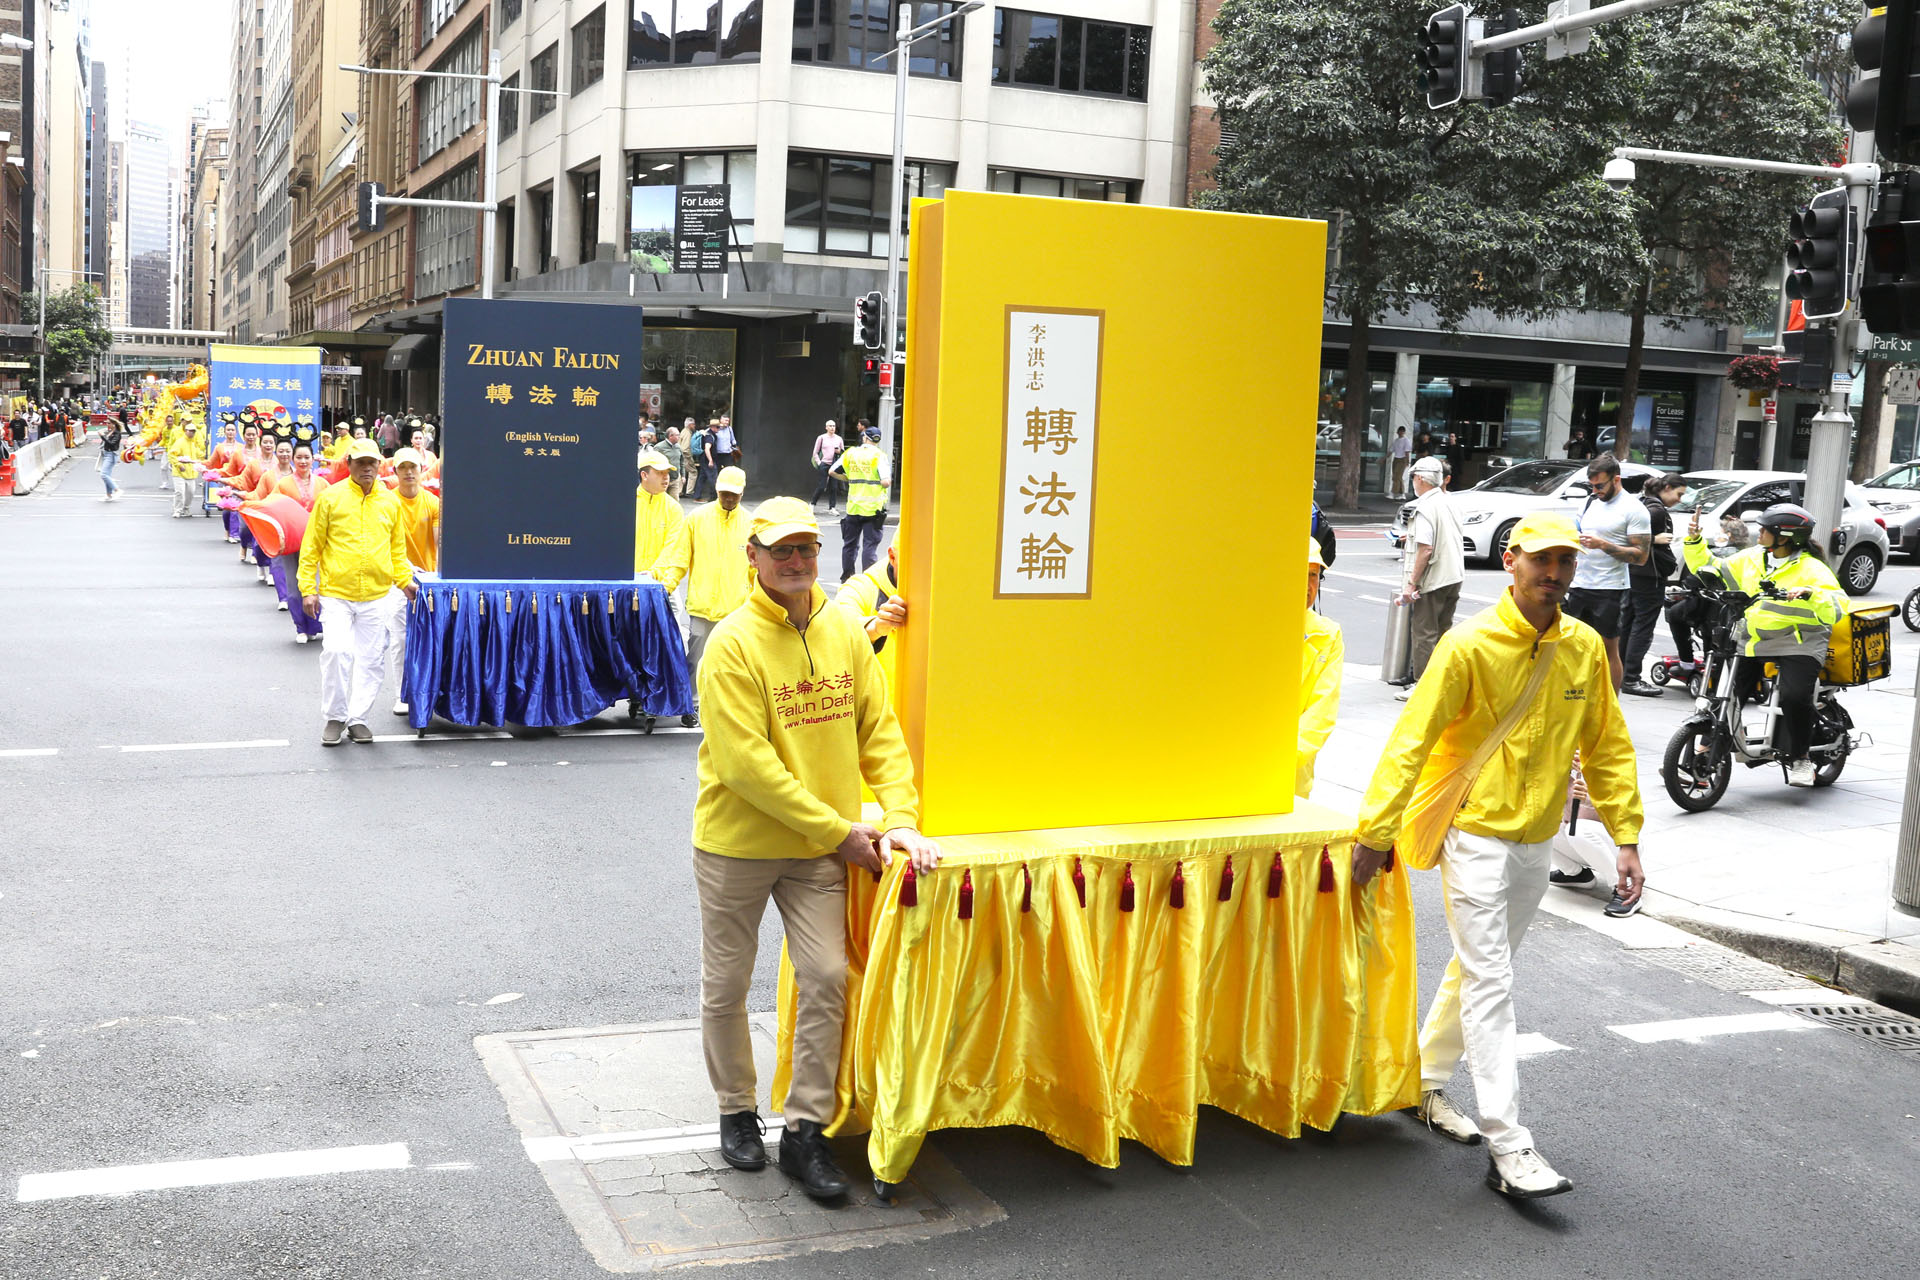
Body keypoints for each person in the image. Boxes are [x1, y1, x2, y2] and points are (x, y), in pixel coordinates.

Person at [1351, 510, 1645, 1200]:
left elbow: (1607, 744)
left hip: (1534, 840)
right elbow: (1412, 740)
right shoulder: (1469, 644)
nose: (1554, 573)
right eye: (1541, 559)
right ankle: (1509, 1145)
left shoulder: (1582, 646)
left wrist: (1626, 837)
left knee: (1480, 968)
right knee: (1491, 981)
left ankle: (1422, 1082)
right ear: (1510, 561)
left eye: (1565, 561)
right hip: (1476, 834)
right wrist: (1375, 832)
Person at [691, 494, 938, 1201]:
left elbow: (878, 730)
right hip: (739, 846)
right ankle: (736, 1109)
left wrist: (900, 817)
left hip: (817, 852)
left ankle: (805, 1132)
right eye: (781, 551)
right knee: (727, 986)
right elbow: (746, 766)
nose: (796, 561)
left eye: (806, 549)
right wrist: (842, 833)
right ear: (754, 558)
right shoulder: (731, 644)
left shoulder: (843, 631)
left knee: (828, 978)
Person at [1682, 502, 1847, 787]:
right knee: (1727, 696)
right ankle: (1706, 757)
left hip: (1800, 641)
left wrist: (1810, 593)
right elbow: (1712, 567)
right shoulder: (1752, 557)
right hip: (1755, 639)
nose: (1758, 533)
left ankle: (1801, 758)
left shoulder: (1812, 568)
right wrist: (1694, 540)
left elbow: (1838, 605)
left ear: (1784, 537)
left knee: (1794, 697)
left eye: (1765, 529)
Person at [298, 439, 417, 747]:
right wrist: (308, 589)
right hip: (336, 593)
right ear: (349, 463)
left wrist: (405, 581)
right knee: (336, 652)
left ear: (379, 465)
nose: (366, 468)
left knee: (371, 660)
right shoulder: (330, 498)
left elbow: (396, 550)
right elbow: (311, 546)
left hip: (377, 595)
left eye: (371, 462)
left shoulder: (389, 502)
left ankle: (358, 718)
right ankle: (335, 717)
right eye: (360, 462)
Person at [650, 466, 749, 729]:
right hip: (702, 606)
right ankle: (691, 705)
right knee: (695, 660)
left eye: (734, 494)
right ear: (717, 490)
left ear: (742, 493)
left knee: (734, 663)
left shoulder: (751, 525)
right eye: (725, 493)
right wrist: (665, 587)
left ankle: (728, 707)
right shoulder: (697, 519)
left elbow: (757, 570)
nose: (729, 498)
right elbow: (680, 560)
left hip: (737, 610)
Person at [1565, 455, 1651, 691]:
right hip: (1579, 584)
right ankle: (1576, 696)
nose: (1595, 490)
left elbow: (1641, 556)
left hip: (1610, 588)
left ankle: (1611, 703)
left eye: (1600, 485)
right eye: (1591, 486)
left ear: (1616, 479)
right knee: (1572, 645)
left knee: (1608, 648)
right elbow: (1576, 531)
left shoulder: (1634, 509)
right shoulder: (1589, 502)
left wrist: (1603, 545)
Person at [1394, 456, 1464, 697]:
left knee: (1424, 632)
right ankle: (1441, 684)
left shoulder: (1424, 507)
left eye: (1414, 477)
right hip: (1454, 575)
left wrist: (1411, 583)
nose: (1413, 481)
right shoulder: (1448, 501)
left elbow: (1425, 549)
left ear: (1421, 479)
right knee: (1443, 632)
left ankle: (1422, 687)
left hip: (1434, 579)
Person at [386, 448, 441, 716]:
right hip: (397, 580)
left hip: (429, 580)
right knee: (401, 639)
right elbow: (385, 542)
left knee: (433, 637)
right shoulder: (387, 502)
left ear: (421, 470)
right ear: (395, 472)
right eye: (403, 468)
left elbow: (439, 541)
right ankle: (402, 694)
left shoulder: (432, 502)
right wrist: (405, 570)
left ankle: (432, 692)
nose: (409, 473)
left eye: (413, 467)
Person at [1620, 473, 1685, 697]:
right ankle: (1631, 678)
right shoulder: (1655, 510)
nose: (1679, 500)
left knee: (1628, 623)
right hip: (1648, 575)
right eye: (1678, 494)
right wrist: (1655, 540)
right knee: (1642, 626)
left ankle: (1622, 674)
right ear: (1666, 488)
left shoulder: (1642, 503)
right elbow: (1625, 535)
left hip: (1634, 572)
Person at [1297, 536, 1343, 799]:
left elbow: (1322, 711)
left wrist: (1282, 759)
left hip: (1292, 777)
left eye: (1313, 575)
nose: (1307, 585)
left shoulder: (1327, 634)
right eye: (1300, 574)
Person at [831, 422, 889, 582]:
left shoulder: (851, 453)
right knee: (870, 546)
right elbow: (885, 482)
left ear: (864, 437)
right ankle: (868, 581)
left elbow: (832, 471)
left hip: (853, 508)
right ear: (877, 440)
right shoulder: (879, 456)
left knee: (849, 545)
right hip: (873, 510)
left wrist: (849, 478)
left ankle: (847, 577)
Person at [633, 449, 688, 578]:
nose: (666, 477)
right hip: (627, 579)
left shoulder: (673, 508)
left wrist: (654, 573)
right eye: (660, 472)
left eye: (667, 472)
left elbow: (673, 546)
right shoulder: (627, 504)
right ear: (644, 475)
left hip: (661, 580)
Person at [166, 418, 207, 518]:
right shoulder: (179, 442)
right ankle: (177, 510)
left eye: (193, 431)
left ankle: (186, 508)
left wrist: (206, 453)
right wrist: (179, 465)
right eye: (190, 431)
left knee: (190, 492)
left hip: (191, 473)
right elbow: (171, 455)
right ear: (186, 431)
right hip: (179, 472)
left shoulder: (193, 443)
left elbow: (199, 454)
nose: (192, 433)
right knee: (179, 492)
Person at [810, 420, 845, 513]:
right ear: (826, 427)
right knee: (822, 486)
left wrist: (839, 451)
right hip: (824, 464)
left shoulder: (839, 439)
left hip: (834, 465)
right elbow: (815, 453)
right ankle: (812, 504)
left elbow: (843, 452)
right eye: (830, 426)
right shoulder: (821, 438)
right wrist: (819, 463)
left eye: (833, 426)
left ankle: (832, 507)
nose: (832, 428)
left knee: (833, 487)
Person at [98, 411, 124, 501]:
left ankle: (117, 490)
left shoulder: (117, 433)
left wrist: (103, 436)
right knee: (107, 475)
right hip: (106, 453)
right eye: (107, 423)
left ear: (114, 424)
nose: (107, 425)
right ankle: (109, 495)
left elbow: (112, 444)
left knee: (103, 474)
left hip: (111, 454)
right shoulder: (110, 432)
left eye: (109, 423)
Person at [689, 418, 715, 503]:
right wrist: (710, 460)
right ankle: (714, 497)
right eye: (718, 427)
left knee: (702, 477)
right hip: (707, 458)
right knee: (712, 477)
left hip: (702, 458)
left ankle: (697, 496)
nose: (719, 429)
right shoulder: (709, 436)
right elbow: (707, 449)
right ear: (713, 427)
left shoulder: (705, 434)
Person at [658, 425, 686, 497]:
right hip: (662, 479)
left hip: (675, 479)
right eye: (677, 435)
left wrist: (683, 475)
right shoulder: (659, 447)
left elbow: (682, 462)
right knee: (662, 500)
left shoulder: (678, 447)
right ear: (670, 436)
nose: (679, 437)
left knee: (675, 500)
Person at [1389, 426, 1412, 499]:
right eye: (1400, 431)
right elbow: (1391, 451)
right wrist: (1384, 458)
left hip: (1402, 459)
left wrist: (1407, 461)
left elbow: (1407, 452)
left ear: (1404, 432)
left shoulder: (1406, 440)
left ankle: (1393, 493)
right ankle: (1402, 494)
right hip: (1396, 459)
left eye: (1402, 431)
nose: (1401, 433)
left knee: (1396, 477)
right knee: (1398, 477)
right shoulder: (1396, 441)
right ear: (1397, 432)